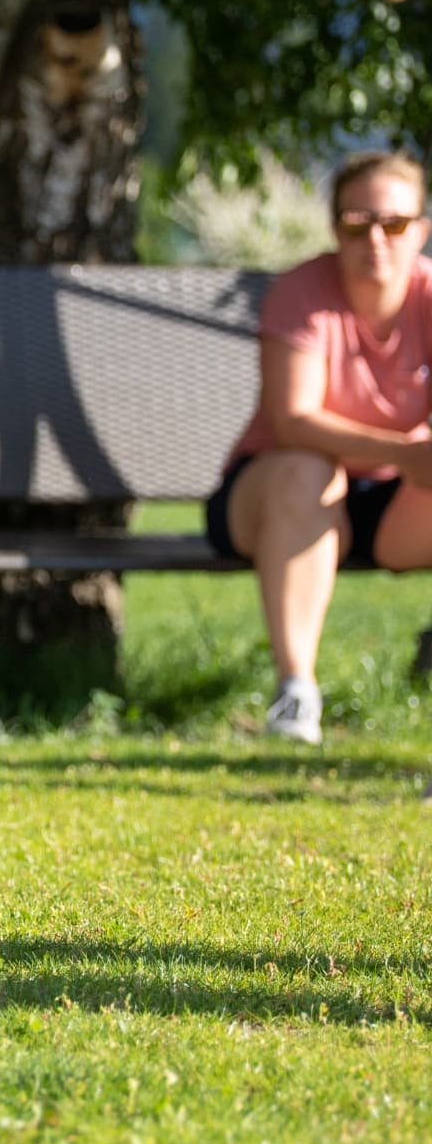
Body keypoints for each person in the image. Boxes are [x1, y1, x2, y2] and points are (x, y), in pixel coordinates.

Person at [205, 151, 432, 744]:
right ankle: (295, 695)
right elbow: (293, 422)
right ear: (335, 230)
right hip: (274, 493)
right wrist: (406, 450)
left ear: (422, 230)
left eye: (396, 224)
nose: (377, 239)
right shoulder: (301, 293)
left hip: (393, 504)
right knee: (308, 471)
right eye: (358, 224)